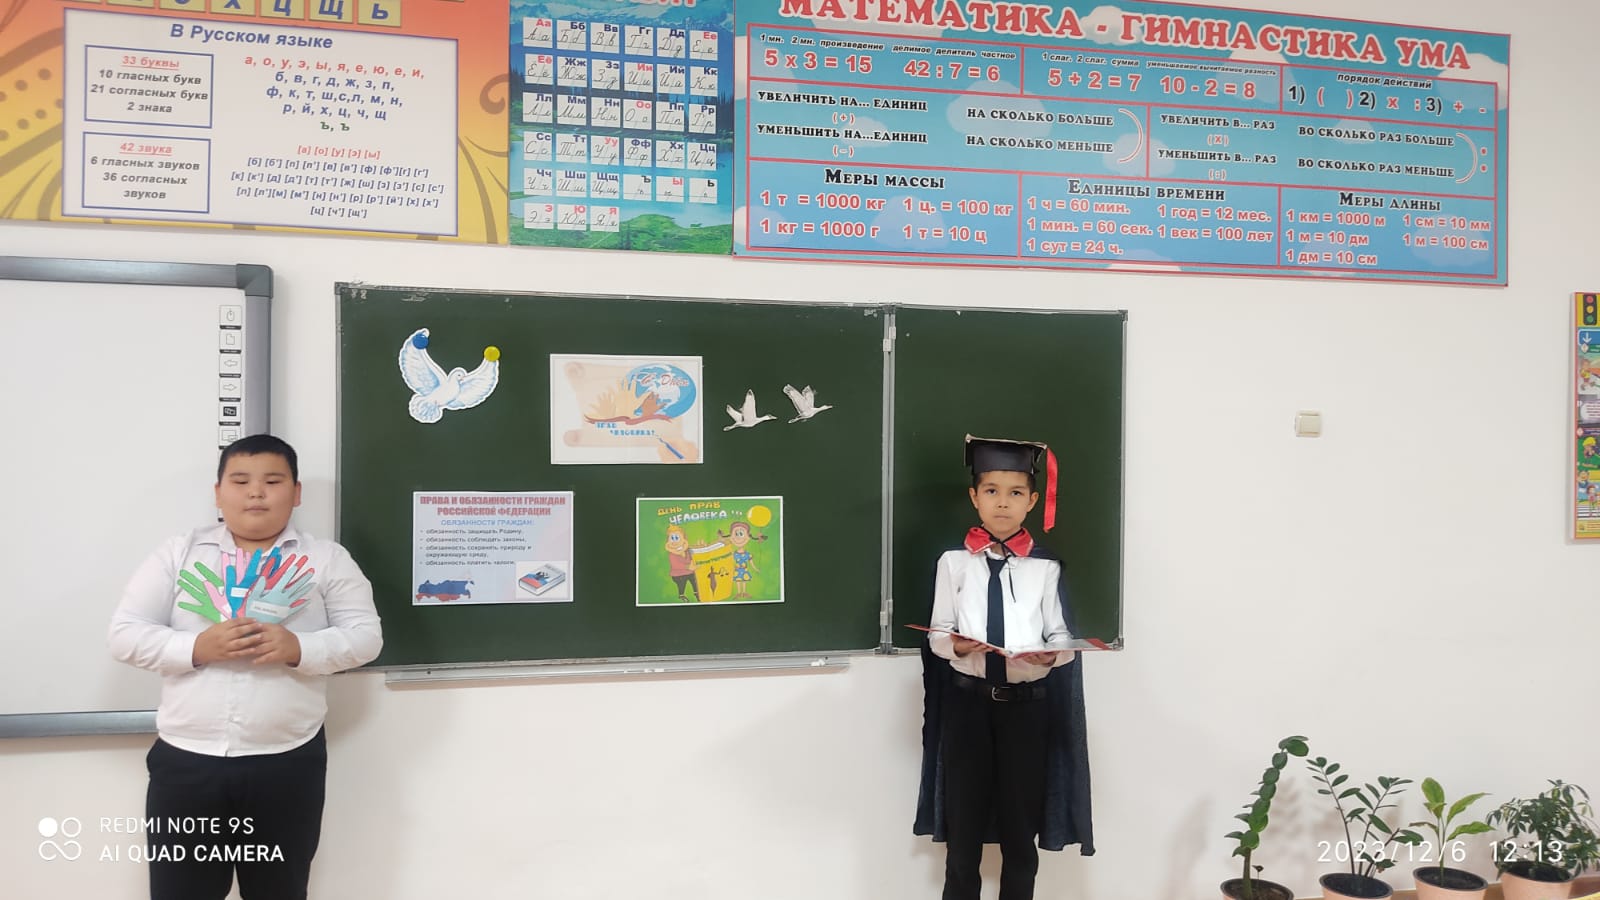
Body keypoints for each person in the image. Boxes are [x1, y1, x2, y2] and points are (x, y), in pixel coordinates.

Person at [109, 434, 383, 900]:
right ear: (218, 493)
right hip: (187, 763)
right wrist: (198, 647)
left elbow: (366, 637)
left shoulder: (326, 560)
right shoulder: (178, 554)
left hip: (288, 762)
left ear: (296, 492)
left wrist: (299, 648)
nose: (256, 492)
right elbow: (124, 635)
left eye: (273, 481)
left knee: (279, 891)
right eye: (240, 481)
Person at [914, 434, 1094, 900]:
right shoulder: (954, 563)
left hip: (1027, 711)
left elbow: (1060, 635)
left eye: (1015, 493)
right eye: (991, 491)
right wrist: (957, 645)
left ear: (1032, 501)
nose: (1002, 502)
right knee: (963, 830)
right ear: (974, 497)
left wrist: (1052, 654)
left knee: (1020, 831)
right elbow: (937, 633)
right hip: (968, 709)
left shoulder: (1045, 567)